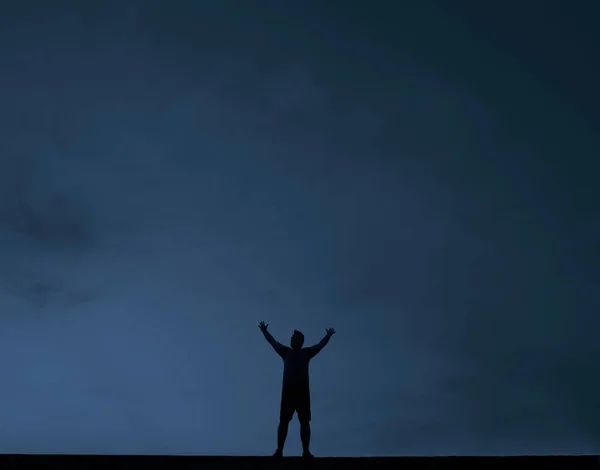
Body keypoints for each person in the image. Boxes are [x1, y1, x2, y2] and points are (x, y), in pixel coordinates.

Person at [258, 321, 336, 458]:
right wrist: (264, 331)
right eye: (291, 337)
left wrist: (328, 335)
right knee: (284, 421)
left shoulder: (306, 353)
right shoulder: (285, 352)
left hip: (302, 391)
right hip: (288, 390)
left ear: (300, 341)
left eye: (294, 337)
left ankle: (306, 451)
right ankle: (279, 450)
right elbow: (273, 342)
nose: (291, 339)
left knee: (304, 421)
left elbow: (320, 346)